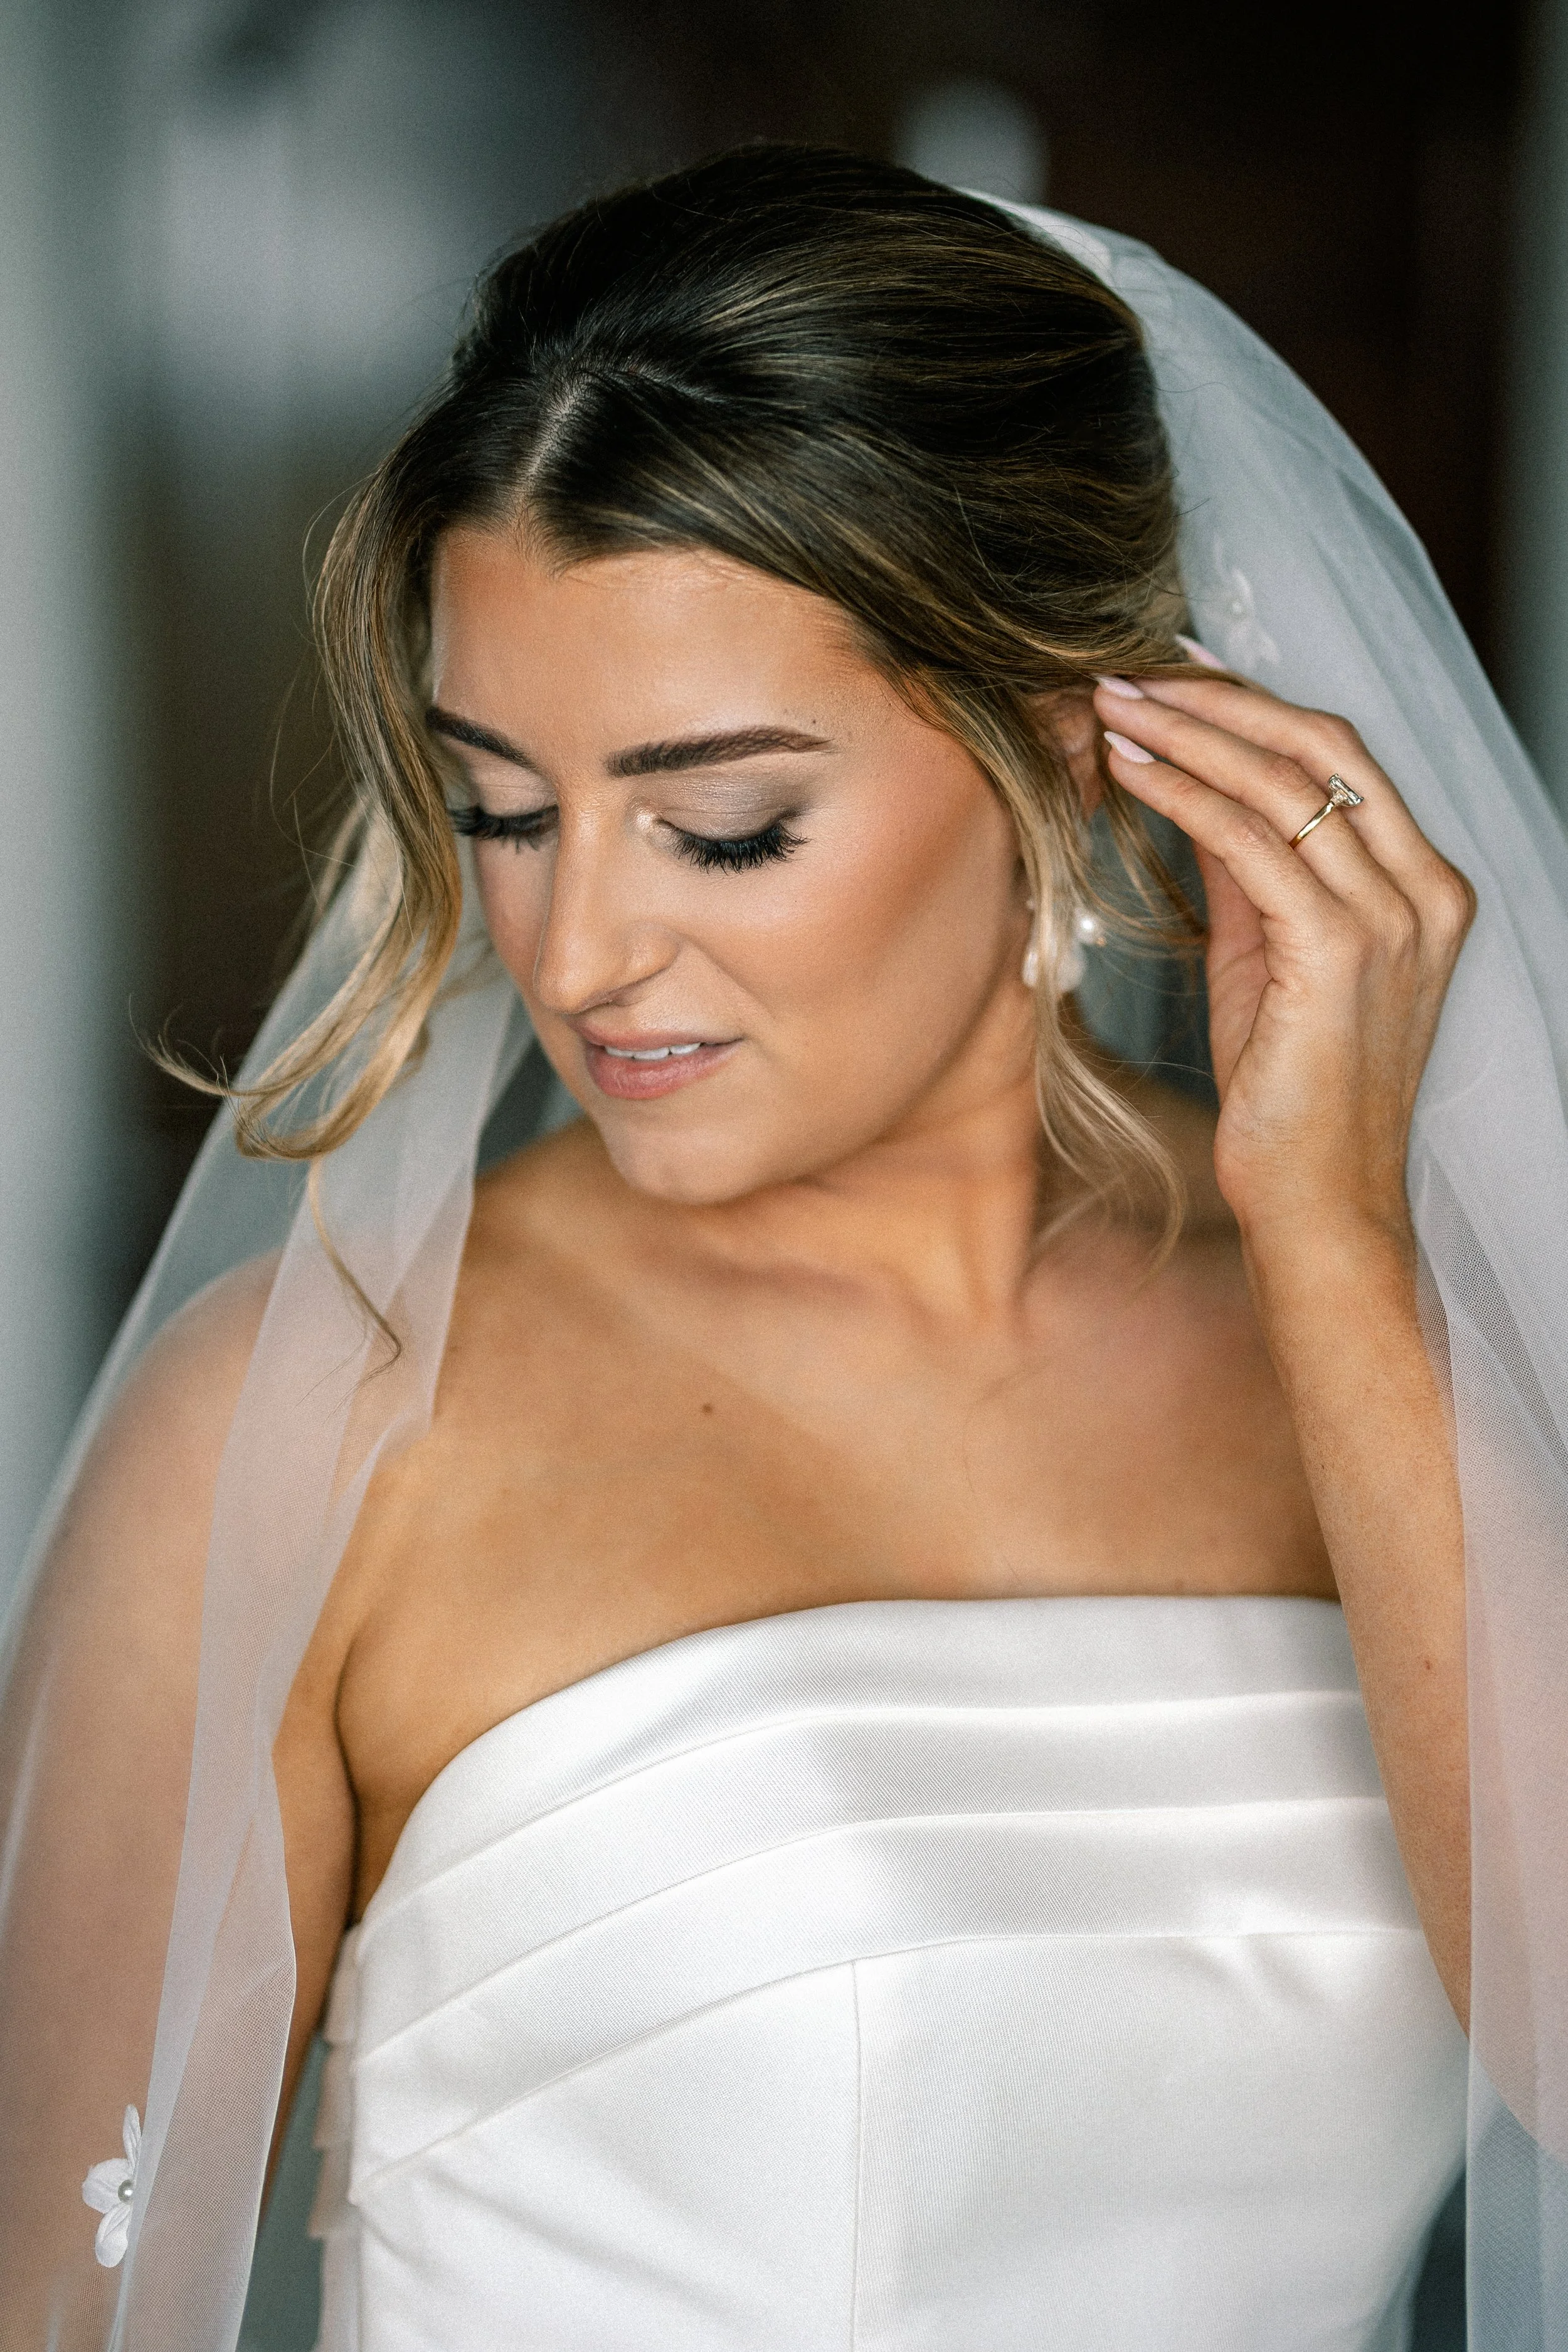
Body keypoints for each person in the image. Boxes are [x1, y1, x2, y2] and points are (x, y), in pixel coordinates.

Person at [1, 145, 1565, 2352]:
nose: (575, 943)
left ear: (1085, 745)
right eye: (505, 808)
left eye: (721, 822)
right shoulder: (312, 1422)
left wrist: (1325, 1240)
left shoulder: (1407, 1336)